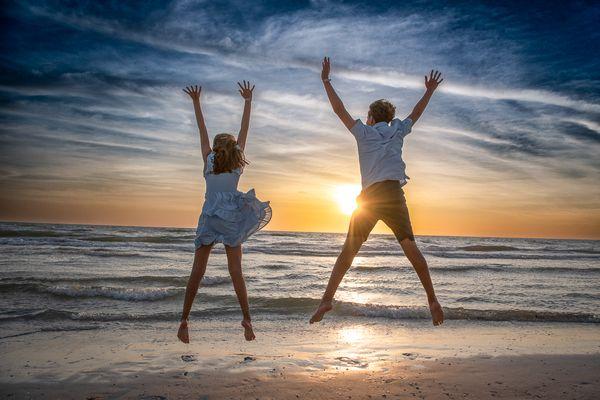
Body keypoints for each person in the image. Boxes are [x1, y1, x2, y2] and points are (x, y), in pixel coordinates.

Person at [310, 57, 444, 326]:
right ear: (390, 117)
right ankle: (432, 298)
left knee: (348, 252)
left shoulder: (363, 132)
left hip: (369, 198)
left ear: (371, 117)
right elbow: (416, 114)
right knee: (409, 246)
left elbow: (339, 110)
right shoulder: (397, 130)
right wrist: (428, 91)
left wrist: (326, 80)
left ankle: (326, 299)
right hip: (393, 195)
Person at [178, 81, 271, 342]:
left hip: (209, 217)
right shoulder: (237, 162)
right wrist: (248, 101)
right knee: (236, 272)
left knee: (197, 271)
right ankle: (247, 320)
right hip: (231, 218)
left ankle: (184, 320)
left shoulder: (208, 158)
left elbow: (201, 129)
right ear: (233, 148)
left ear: (217, 147)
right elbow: (245, 129)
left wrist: (196, 103)